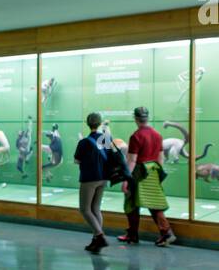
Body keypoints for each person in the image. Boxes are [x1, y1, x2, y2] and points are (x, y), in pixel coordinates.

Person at [119, 106, 177, 247]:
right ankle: (166, 233)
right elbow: (160, 159)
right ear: (147, 118)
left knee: (131, 203)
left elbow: (132, 160)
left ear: (136, 119)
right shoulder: (157, 135)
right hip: (153, 174)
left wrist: (126, 179)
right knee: (154, 204)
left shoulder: (136, 136)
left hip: (138, 174)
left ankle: (133, 235)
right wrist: (157, 177)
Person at [73, 111, 112, 252]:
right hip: (103, 178)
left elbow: (77, 161)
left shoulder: (84, 142)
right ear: (100, 123)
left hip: (89, 178)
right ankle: (96, 240)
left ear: (88, 124)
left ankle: (100, 236)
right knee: (95, 208)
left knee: (84, 209)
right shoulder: (106, 139)